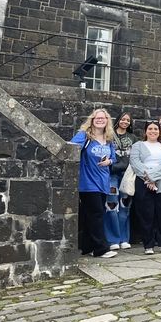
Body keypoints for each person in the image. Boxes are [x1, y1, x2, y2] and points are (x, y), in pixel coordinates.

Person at [70, 108, 118, 259]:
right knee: (96, 214)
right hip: (88, 183)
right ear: (92, 120)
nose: (100, 120)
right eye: (97, 118)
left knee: (92, 215)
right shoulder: (85, 136)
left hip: (103, 182)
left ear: (107, 121)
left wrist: (109, 161)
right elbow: (69, 147)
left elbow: (114, 158)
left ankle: (87, 247)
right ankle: (101, 249)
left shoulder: (108, 138)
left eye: (103, 118)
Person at [130, 120, 161, 255]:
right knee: (146, 214)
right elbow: (135, 163)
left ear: (160, 131)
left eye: (156, 129)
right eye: (150, 128)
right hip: (143, 183)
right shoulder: (138, 145)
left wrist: (153, 177)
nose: (153, 131)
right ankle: (148, 245)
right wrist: (147, 178)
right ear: (145, 131)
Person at [104, 110, 137, 250]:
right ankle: (113, 239)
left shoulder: (133, 138)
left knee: (125, 206)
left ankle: (124, 238)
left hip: (127, 175)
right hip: (112, 174)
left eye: (128, 120)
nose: (125, 122)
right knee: (111, 205)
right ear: (118, 120)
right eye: (123, 119)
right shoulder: (109, 136)